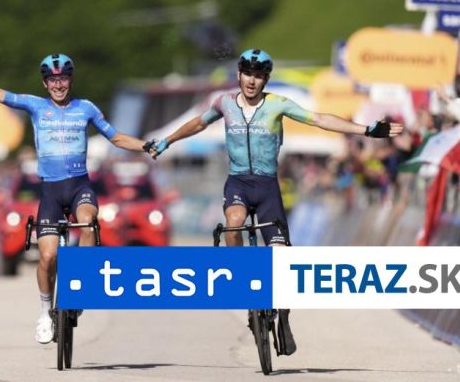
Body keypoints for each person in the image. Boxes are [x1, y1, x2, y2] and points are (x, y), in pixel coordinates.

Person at [149, 48, 403, 355]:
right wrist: (167, 141)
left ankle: (282, 313)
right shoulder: (224, 102)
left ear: (265, 79)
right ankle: (241, 279)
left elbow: (319, 119)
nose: (251, 81)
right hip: (238, 182)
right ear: (239, 74)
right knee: (233, 225)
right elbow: (198, 124)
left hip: (268, 186)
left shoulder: (278, 104)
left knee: (280, 256)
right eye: (247, 74)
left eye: (258, 76)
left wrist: (367, 130)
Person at [0, 36, 152, 344]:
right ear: (45, 83)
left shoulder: (86, 108)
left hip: (80, 186)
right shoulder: (35, 106)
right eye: (52, 80)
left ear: (71, 80)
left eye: (64, 78)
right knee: (47, 257)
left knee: (88, 222)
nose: (58, 84)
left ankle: (81, 283)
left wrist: (146, 146)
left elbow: (116, 137)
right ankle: (45, 312)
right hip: (51, 192)